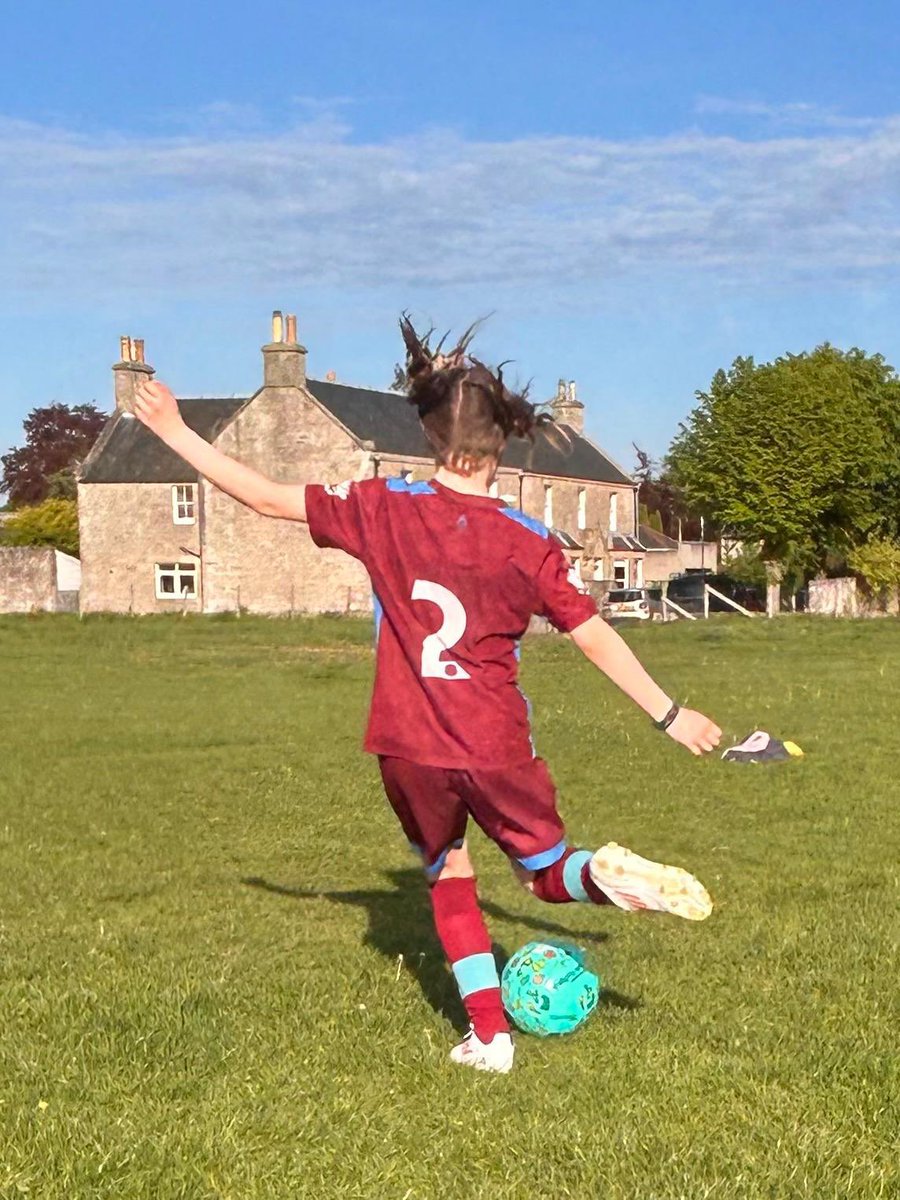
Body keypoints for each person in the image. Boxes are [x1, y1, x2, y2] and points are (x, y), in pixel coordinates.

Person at [133, 317, 722, 1075]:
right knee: (542, 874)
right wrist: (669, 715)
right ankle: (598, 877)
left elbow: (268, 499)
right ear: (502, 445)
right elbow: (592, 634)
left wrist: (177, 430)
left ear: (429, 436)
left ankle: (490, 1037)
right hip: (495, 743)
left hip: (409, 745)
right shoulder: (528, 539)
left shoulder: (381, 506)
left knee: (447, 870)